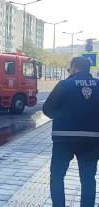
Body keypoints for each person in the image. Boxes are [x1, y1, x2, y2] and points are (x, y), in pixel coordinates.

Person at [43, 57, 99, 207]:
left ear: (74, 68)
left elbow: (47, 109)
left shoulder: (64, 84)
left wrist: (63, 118)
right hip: (92, 140)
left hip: (64, 139)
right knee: (88, 178)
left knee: (57, 176)